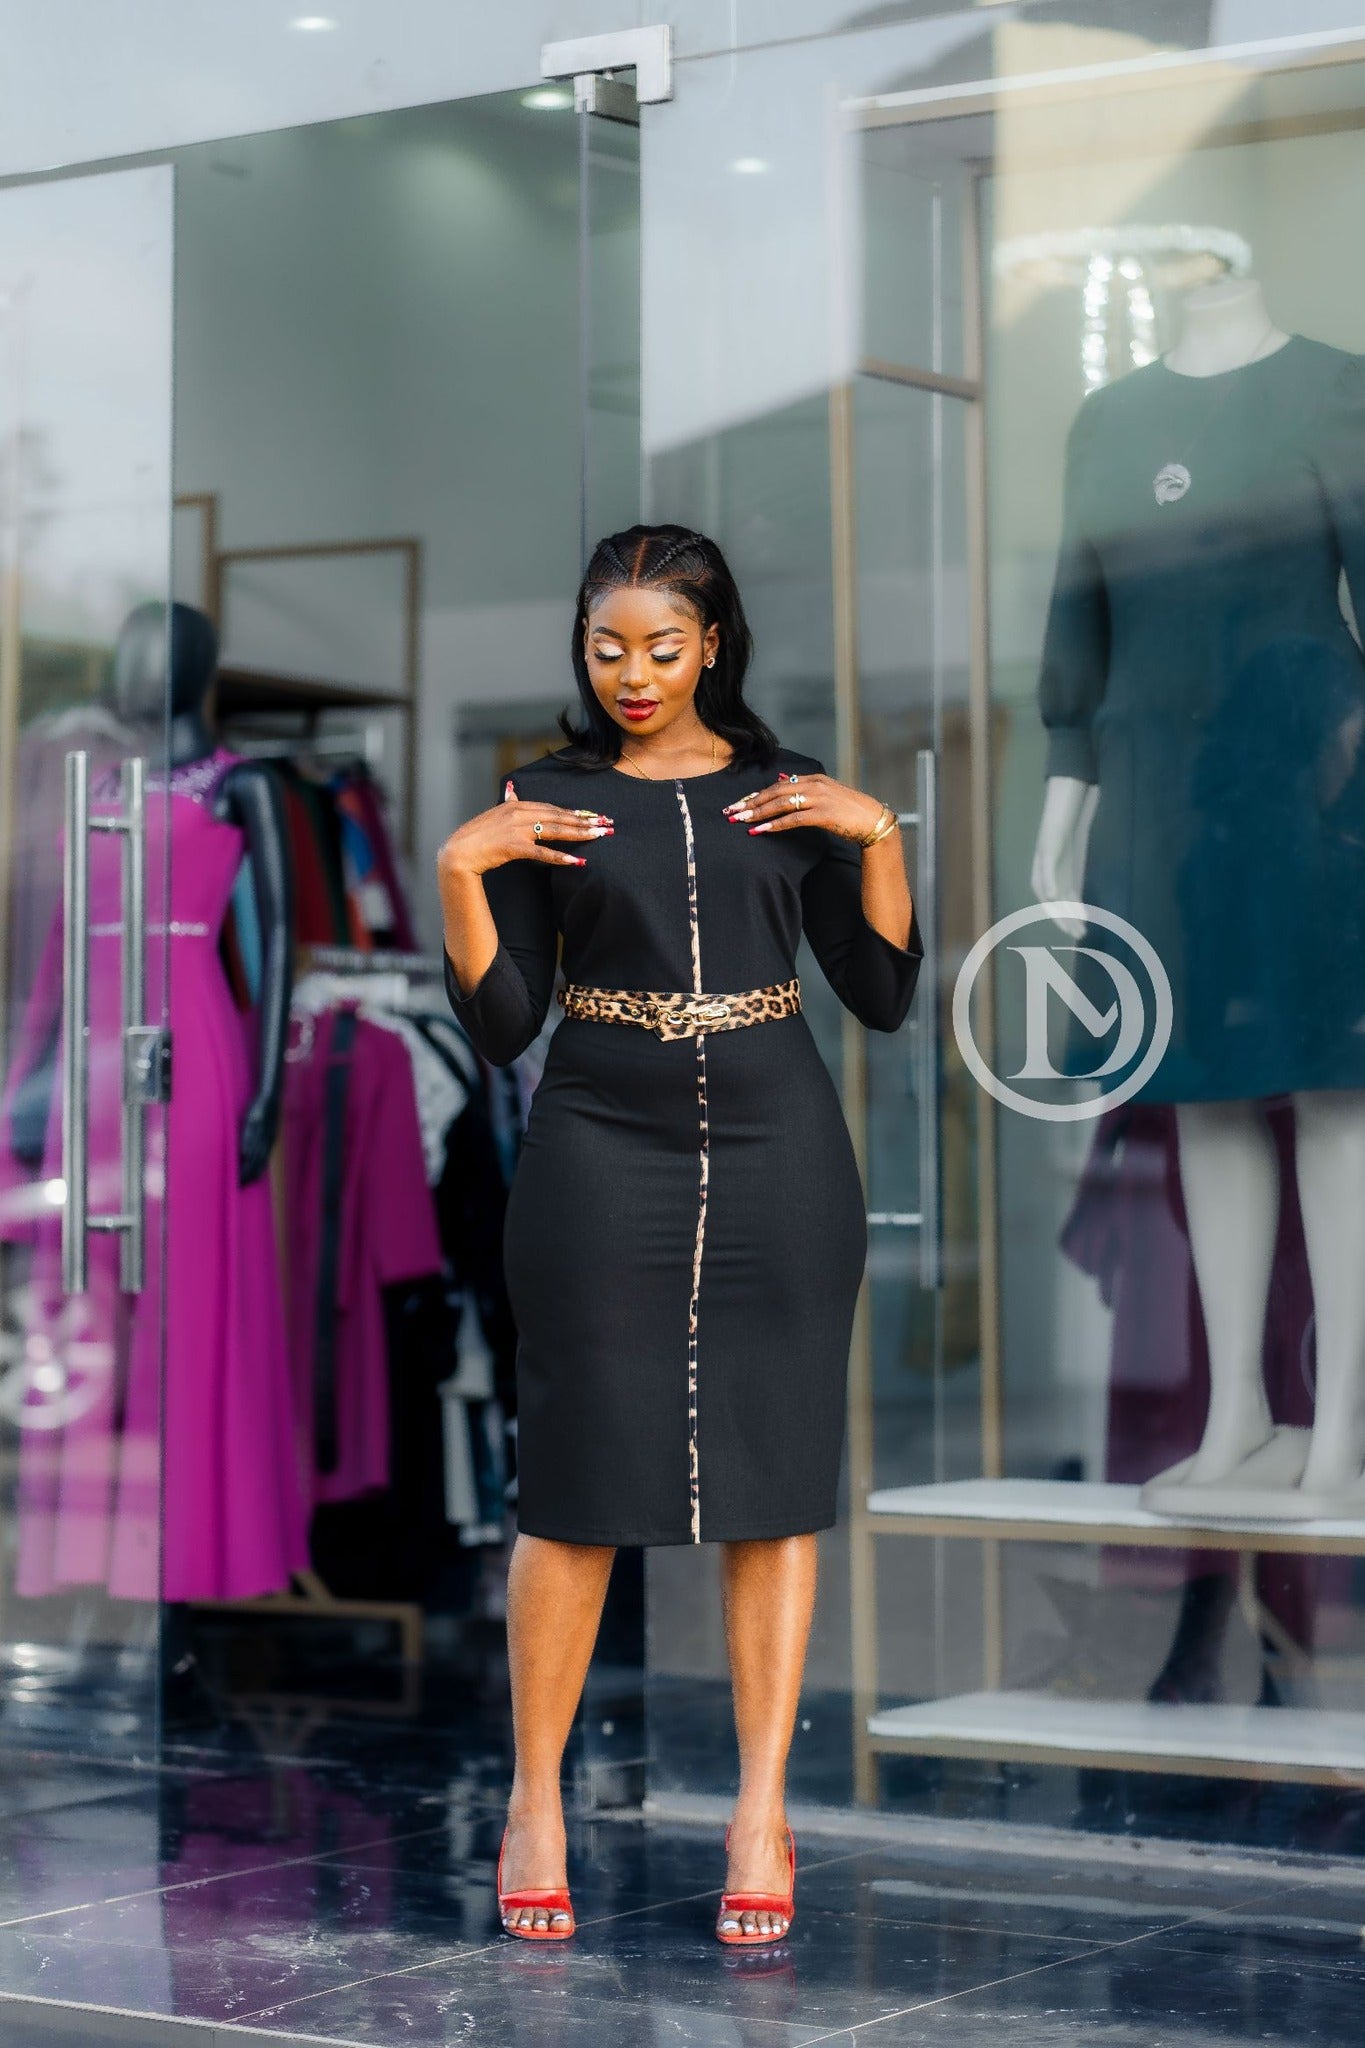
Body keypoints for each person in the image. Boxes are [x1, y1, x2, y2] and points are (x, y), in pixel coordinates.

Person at [437, 525, 923, 1946]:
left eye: (661, 646)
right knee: (576, 1480)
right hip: (599, 1141)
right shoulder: (548, 796)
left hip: (779, 1144)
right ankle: (536, 1799)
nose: (633, 673)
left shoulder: (788, 796)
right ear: (581, 648)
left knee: (771, 1478)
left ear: (713, 642)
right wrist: (466, 868)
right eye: (606, 648)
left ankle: (761, 1810)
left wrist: (877, 835)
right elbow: (505, 1020)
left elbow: (881, 994)